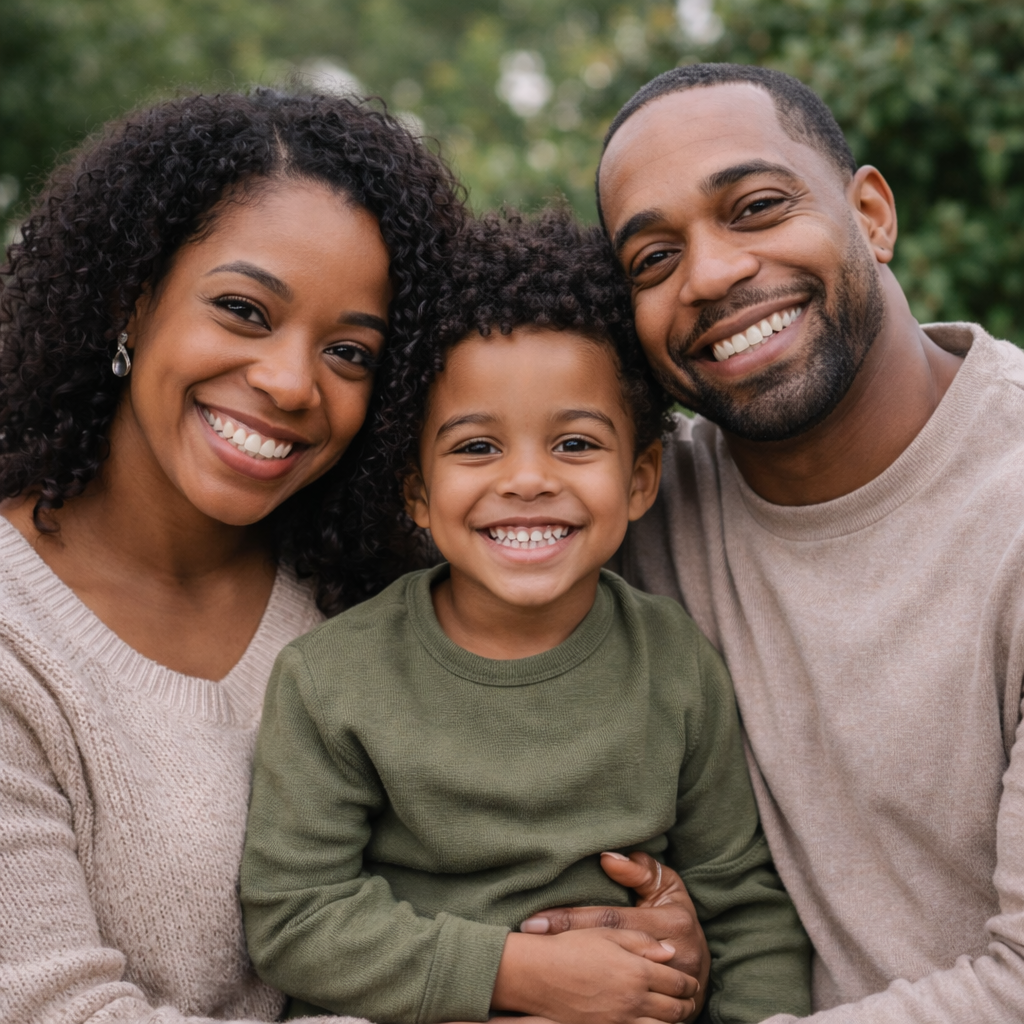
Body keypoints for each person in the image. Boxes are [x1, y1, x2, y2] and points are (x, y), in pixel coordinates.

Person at [527, 62, 1024, 1023]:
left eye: (755, 208)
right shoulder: (627, 512)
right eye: (653, 260)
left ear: (871, 215)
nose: (712, 275)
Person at [239, 211, 811, 1024]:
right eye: (477, 448)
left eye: (575, 444)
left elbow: (742, 906)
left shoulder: (675, 662)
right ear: (417, 492)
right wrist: (519, 974)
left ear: (640, 479)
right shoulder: (332, 680)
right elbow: (297, 918)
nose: (529, 480)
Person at [0, 88, 466, 1024]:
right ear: (133, 300)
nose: (291, 383)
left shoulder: (373, 604)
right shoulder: (17, 638)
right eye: (244, 310)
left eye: (350, 353)